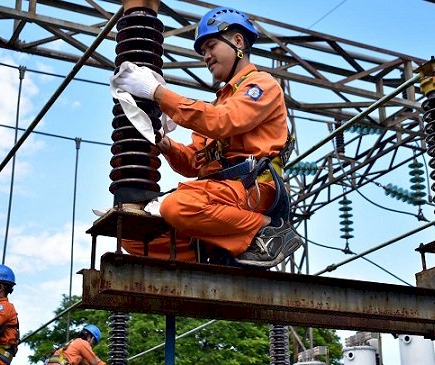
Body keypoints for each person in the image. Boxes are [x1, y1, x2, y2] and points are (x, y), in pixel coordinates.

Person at [111, 6, 302, 267]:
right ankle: (214, 252)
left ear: (237, 42)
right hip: (220, 198)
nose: (207, 56)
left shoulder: (261, 85)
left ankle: (266, 231)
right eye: (203, 52)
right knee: (134, 238)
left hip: (252, 192)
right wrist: (165, 145)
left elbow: (223, 122)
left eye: (211, 46)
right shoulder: (215, 106)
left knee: (177, 206)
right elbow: (193, 164)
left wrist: (158, 93)